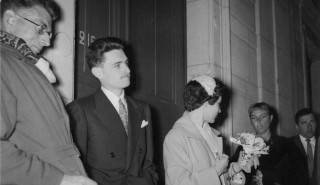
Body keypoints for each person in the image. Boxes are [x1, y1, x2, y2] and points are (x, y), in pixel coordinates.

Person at [0, 0, 96, 185]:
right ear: (11, 19)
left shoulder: (27, 66)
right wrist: (58, 179)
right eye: (41, 28)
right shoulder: (4, 63)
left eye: (49, 32)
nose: (47, 41)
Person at [67, 37, 158, 185]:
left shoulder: (142, 108)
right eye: (118, 65)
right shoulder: (80, 109)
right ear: (98, 72)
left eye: (126, 63)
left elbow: (148, 161)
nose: (128, 70)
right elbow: (76, 166)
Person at [163, 74, 247, 185]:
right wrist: (216, 170)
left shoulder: (210, 134)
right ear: (206, 103)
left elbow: (220, 177)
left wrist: (237, 167)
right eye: (218, 104)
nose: (220, 110)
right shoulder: (176, 137)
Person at [231, 102, 305, 185]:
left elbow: (299, 176)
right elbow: (232, 173)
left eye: (263, 116)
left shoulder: (287, 145)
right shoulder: (244, 147)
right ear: (250, 121)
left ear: (271, 118)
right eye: (254, 118)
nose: (258, 121)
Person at [290, 108, 318, 185]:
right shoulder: (288, 145)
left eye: (311, 121)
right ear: (297, 126)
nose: (309, 126)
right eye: (304, 123)